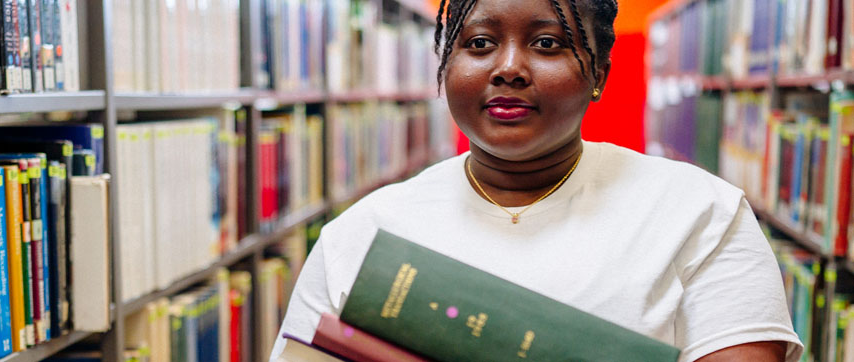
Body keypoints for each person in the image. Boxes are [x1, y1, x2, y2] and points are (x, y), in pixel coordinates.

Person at [270, 0, 804, 361]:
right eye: (478, 44)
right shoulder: (366, 233)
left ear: (598, 73)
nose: (508, 68)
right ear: (445, 64)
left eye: (548, 44)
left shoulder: (701, 214)